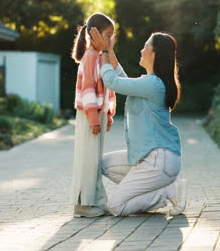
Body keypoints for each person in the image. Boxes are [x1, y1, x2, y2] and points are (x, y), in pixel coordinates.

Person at [90, 28, 188, 216]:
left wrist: (102, 52)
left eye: (145, 47)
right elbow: (122, 78)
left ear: (155, 53)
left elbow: (112, 81)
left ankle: (167, 192)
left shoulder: (153, 84)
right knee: (104, 165)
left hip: (159, 161)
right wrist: (109, 49)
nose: (141, 50)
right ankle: (154, 188)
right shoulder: (149, 83)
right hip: (149, 157)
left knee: (116, 207)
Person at [70, 13, 117, 217]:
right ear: (94, 34)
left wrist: (108, 114)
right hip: (90, 115)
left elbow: (109, 85)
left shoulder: (99, 57)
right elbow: (88, 89)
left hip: (97, 114)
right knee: (88, 160)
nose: (111, 39)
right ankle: (83, 204)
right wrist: (93, 118)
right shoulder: (90, 57)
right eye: (108, 35)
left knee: (95, 161)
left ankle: (96, 201)